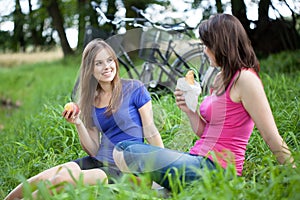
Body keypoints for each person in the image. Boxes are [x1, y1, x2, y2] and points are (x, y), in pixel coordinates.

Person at [112, 13, 295, 191]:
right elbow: (205, 133)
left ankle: (165, 190)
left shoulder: (246, 79)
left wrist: (294, 176)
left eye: (207, 45)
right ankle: (171, 191)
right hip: (196, 158)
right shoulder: (220, 77)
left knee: (125, 150)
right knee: (122, 149)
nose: (205, 50)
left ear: (222, 45)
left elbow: (271, 135)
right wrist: (189, 110)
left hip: (217, 169)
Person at [5, 38, 164, 199]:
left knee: (60, 180)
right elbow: (94, 149)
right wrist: (78, 123)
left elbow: (151, 132)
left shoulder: (135, 88)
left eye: (110, 60)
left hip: (127, 168)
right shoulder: (90, 101)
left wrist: (162, 174)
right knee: (42, 178)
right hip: (99, 162)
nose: (107, 66)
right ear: (90, 69)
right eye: (99, 63)